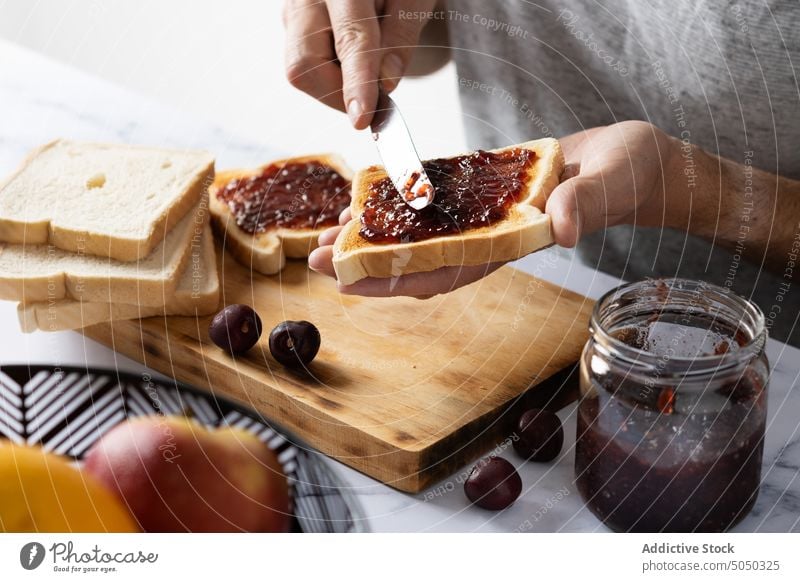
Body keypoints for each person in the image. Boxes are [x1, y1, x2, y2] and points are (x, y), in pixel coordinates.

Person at [283, 0, 800, 346]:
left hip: (753, 363)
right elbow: (435, 37)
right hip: (521, 304)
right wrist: (376, 23)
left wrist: (698, 189)